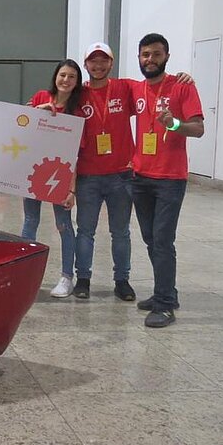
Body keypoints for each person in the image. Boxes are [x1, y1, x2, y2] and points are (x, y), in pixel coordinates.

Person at [129, 32, 204, 328]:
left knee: (162, 240)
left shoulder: (182, 87)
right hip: (140, 177)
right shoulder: (136, 89)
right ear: (139, 57)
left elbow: (198, 129)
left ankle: (164, 305)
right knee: (151, 239)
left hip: (170, 179)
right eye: (145, 54)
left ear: (167, 57)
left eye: (156, 54)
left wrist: (173, 124)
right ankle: (167, 293)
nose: (150, 60)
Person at [72, 42, 137, 301]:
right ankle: (83, 279)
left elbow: (154, 89)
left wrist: (181, 79)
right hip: (88, 175)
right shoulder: (78, 94)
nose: (98, 66)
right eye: (93, 61)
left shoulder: (125, 88)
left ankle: (122, 280)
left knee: (120, 232)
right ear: (85, 64)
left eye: (103, 60)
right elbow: (55, 100)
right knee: (85, 231)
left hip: (121, 175)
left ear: (111, 63)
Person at [21, 59, 82, 298]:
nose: (66, 80)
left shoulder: (77, 110)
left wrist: (72, 189)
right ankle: (24, 274)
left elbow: (75, 152)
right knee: (30, 220)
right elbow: (20, 124)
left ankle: (67, 277)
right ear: (55, 76)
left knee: (63, 225)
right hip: (34, 169)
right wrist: (37, 112)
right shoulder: (40, 97)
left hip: (61, 172)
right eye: (62, 75)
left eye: (72, 77)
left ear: (77, 82)